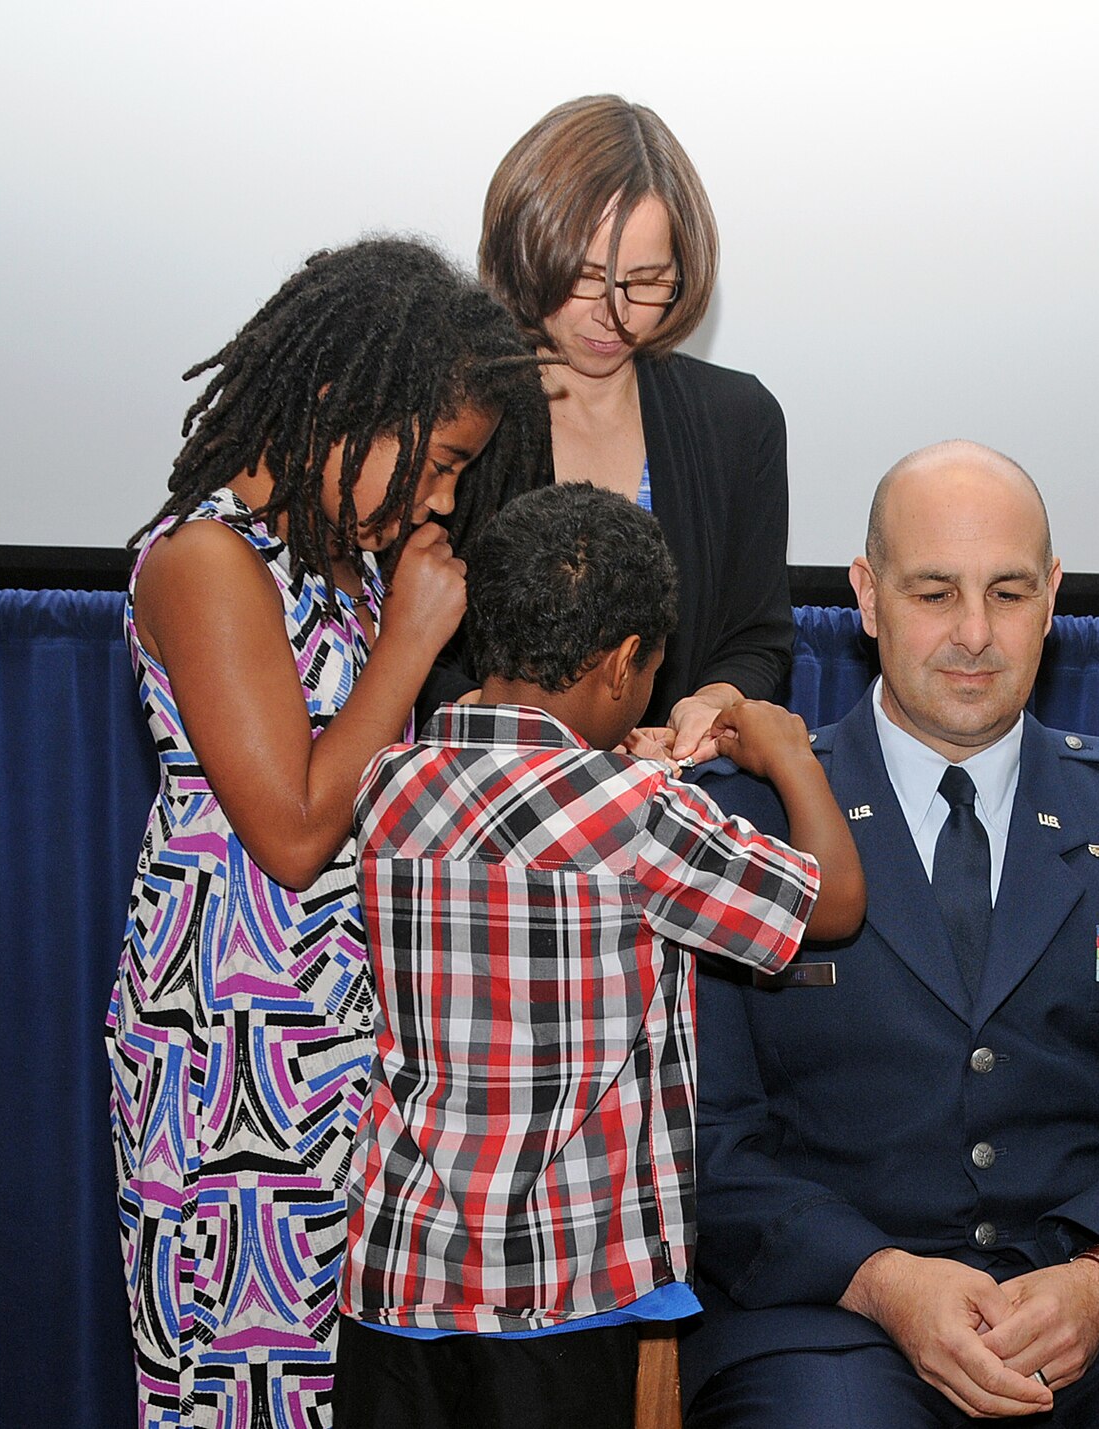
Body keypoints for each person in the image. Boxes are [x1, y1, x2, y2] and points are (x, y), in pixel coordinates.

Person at [685, 440, 1099, 1428]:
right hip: (831, 1315)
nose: (974, 633)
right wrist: (882, 1279)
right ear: (866, 592)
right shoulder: (741, 825)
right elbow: (700, 1137)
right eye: (934, 592)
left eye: (1008, 593)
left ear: (1053, 594)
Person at [109, 238, 546, 1429]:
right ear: (340, 402)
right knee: (243, 1383)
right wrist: (407, 643)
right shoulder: (207, 561)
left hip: (341, 1033)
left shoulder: (339, 568)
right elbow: (297, 828)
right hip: (229, 1044)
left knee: (345, 1388)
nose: (448, 496)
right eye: (443, 460)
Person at [334, 482, 863, 1428]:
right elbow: (831, 904)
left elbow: (527, 815)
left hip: (401, 1267)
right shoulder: (641, 813)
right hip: (555, 1288)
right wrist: (791, 755)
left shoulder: (389, 782)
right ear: (626, 663)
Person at [423, 94, 792, 764]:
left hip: (682, 809)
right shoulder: (459, 425)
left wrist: (710, 705)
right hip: (494, 805)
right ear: (524, 252)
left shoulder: (740, 420)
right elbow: (415, 653)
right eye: (584, 278)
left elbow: (755, 636)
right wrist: (514, 725)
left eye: (646, 283)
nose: (613, 316)